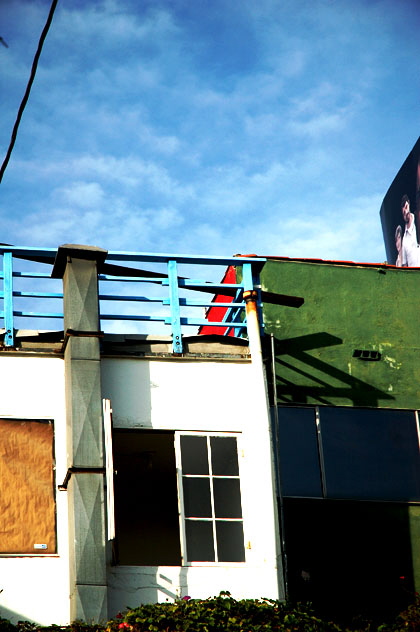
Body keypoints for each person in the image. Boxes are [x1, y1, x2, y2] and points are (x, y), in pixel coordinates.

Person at [401, 194, 420, 266]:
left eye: (406, 207)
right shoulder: (404, 240)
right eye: (403, 212)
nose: (405, 212)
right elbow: (404, 265)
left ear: (409, 204)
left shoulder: (417, 222)